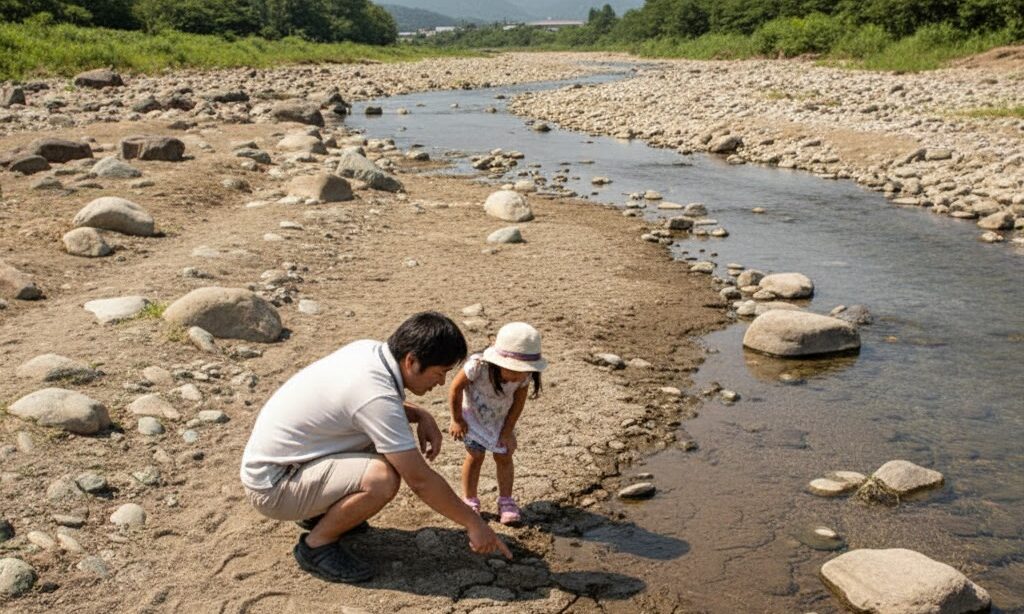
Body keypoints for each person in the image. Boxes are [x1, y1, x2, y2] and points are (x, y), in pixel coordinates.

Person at [239, 311, 511, 584]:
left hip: (286, 466)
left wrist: (419, 414)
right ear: (411, 361)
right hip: (274, 488)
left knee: (385, 445)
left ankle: (319, 514)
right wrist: (474, 523)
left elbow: (363, 403)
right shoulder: (374, 394)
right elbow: (419, 480)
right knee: (382, 478)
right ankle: (317, 544)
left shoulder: (368, 351)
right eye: (439, 373)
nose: (440, 382)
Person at [448, 322, 547, 525]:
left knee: (504, 457)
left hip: (499, 421)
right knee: (474, 456)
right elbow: (455, 389)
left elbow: (519, 403)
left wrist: (508, 431)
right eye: (513, 370)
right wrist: (456, 419)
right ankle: (469, 500)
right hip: (473, 419)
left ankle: (506, 500)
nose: (518, 376)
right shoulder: (478, 367)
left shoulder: (523, 378)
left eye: (524, 371)